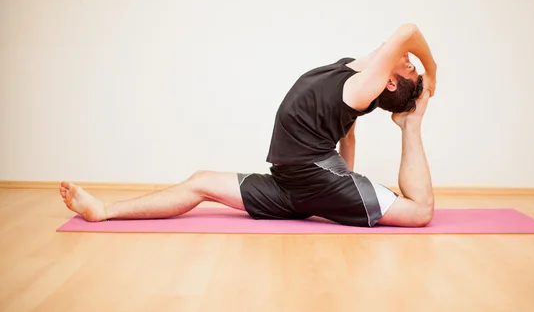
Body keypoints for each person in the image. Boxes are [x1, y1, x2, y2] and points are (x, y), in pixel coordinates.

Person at [59, 23, 437, 227]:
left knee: (418, 212)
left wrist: (430, 77)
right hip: (294, 184)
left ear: (388, 82)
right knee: (200, 181)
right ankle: (103, 211)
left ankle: (411, 126)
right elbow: (347, 136)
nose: (410, 61)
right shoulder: (357, 75)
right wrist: (342, 189)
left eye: (409, 68)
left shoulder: (363, 85)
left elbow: (407, 31)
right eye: (413, 64)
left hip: (312, 180)